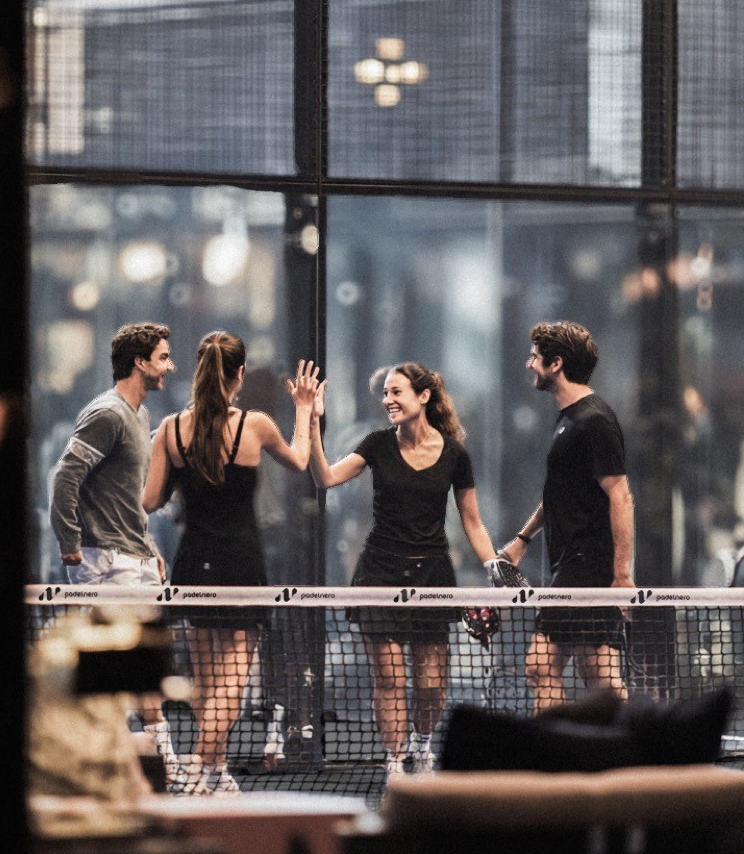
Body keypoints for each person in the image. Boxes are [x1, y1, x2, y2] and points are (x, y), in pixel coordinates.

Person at [142, 332, 318, 795]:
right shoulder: (255, 425)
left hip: (192, 565)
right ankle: (204, 768)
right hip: (240, 565)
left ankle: (215, 773)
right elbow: (300, 460)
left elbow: (150, 499)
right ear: (239, 374)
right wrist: (303, 408)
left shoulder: (169, 430)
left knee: (207, 683)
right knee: (230, 687)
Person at [310, 362, 500, 777]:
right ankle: (396, 762)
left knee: (431, 685)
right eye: (385, 394)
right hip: (379, 573)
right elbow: (324, 478)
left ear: (424, 396)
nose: (388, 401)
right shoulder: (377, 444)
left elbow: (472, 520)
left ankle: (421, 744)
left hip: (433, 575)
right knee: (390, 678)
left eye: (397, 392)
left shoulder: (455, 454)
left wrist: (494, 565)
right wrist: (310, 416)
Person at [48, 322, 185, 778]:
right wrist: (69, 541)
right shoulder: (106, 413)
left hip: (136, 557)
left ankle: (155, 764)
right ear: (140, 362)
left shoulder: (140, 415)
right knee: (119, 672)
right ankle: (134, 766)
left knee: (143, 667)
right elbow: (64, 478)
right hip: (102, 560)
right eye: (164, 357)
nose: (171, 366)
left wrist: (147, 544)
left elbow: (124, 495)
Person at [501, 321, 635, 712]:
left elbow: (621, 496)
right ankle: (625, 756)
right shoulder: (569, 420)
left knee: (541, 668)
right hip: (572, 562)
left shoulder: (595, 421)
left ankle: (556, 763)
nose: (529, 364)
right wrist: (522, 540)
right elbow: (559, 493)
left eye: (535, 357)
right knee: (600, 675)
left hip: (587, 566)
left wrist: (622, 575)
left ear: (555, 363)